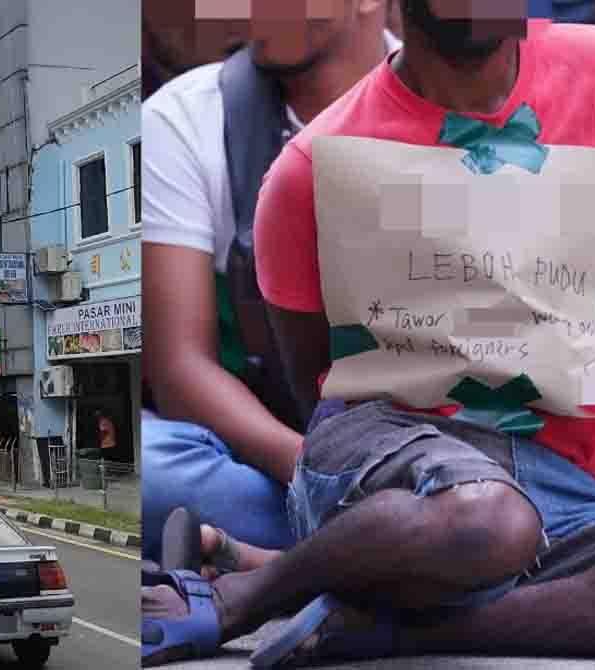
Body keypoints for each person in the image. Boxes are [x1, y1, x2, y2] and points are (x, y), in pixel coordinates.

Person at [143, 2, 595, 666]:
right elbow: (321, 391)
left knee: (500, 532)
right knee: (488, 520)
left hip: (568, 485)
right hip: (403, 455)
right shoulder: (303, 169)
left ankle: (360, 618)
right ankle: (247, 595)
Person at [141, 0, 401, 563]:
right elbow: (180, 371)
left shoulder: (448, 97)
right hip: (268, 459)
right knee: (153, 470)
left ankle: (281, 561)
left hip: (433, 450)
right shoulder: (185, 116)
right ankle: (395, 548)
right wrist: (324, 473)